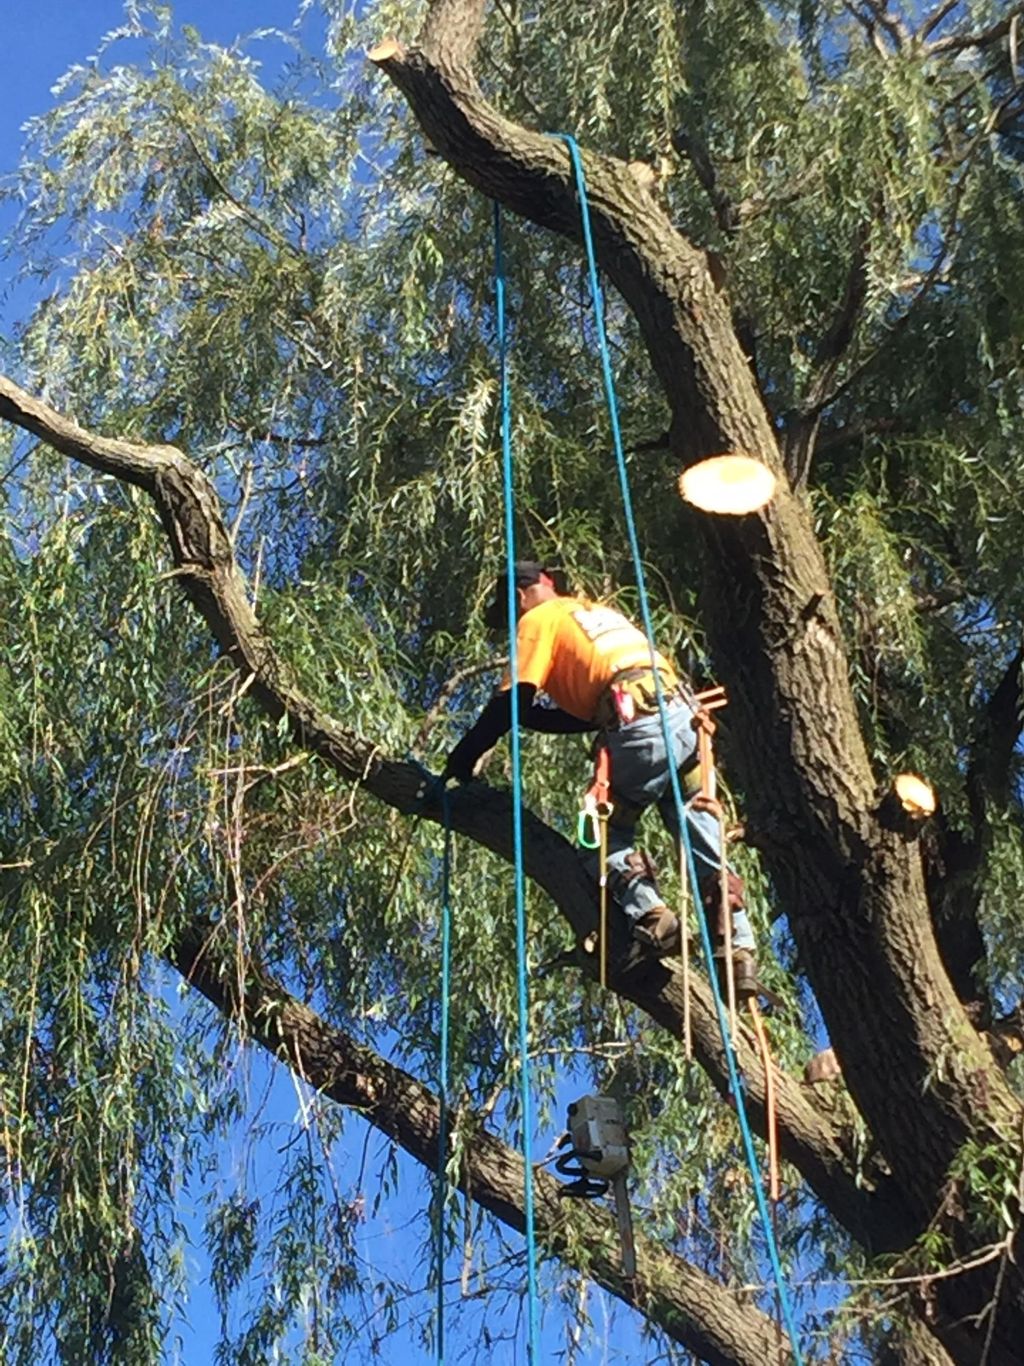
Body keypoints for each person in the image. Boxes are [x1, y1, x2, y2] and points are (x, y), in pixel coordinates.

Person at [442, 562, 761, 998]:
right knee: (697, 826)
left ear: (518, 598)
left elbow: (510, 702)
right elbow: (584, 712)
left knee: (598, 837)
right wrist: (527, 717)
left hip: (639, 729)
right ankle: (737, 950)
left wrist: (462, 758)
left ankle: (654, 919)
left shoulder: (537, 619)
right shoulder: (595, 614)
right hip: (684, 722)